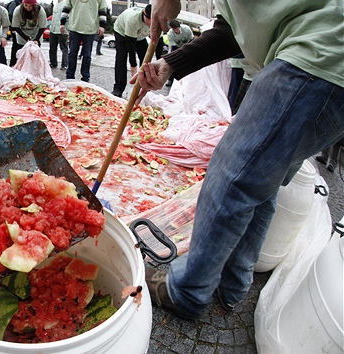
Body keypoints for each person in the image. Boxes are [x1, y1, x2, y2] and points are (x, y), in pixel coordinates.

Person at [135, 0, 343, 320]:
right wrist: (169, 65)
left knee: (231, 176)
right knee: (262, 181)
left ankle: (188, 290)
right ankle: (233, 284)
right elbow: (234, 31)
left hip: (316, 56)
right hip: (326, 65)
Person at [60, 0, 108, 82]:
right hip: (75, 27)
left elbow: (102, 10)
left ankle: (85, 77)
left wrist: (102, 25)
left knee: (87, 55)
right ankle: (70, 76)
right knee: (72, 54)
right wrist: (62, 23)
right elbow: (66, 8)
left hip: (90, 29)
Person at [110, 4, 151, 98]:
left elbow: (157, 43)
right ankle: (118, 89)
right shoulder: (133, 19)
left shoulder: (158, 21)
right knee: (121, 58)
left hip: (140, 36)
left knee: (146, 59)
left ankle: (143, 86)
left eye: (153, 20)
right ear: (144, 15)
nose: (150, 22)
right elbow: (131, 46)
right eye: (148, 19)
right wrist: (133, 67)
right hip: (122, 33)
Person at [9, 0, 48, 67]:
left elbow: (42, 27)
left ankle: (34, 71)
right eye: (26, 5)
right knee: (22, 57)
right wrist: (26, 38)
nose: (28, 8)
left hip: (36, 34)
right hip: (22, 35)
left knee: (34, 57)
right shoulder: (18, 10)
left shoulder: (40, 11)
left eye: (30, 6)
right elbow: (16, 26)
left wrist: (36, 39)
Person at [164, 19, 193, 86]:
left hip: (188, 46)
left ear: (179, 27)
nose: (176, 31)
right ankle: (170, 80)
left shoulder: (186, 29)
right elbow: (174, 47)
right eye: (175, 30)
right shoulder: (170, 34)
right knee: (172, 63)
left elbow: (191, 39)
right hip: (176, 48)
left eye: (177, 29)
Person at [49, 0, 69, 70]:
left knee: (64, 48)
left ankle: (64, 65)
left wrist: (66, 27)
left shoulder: (66, 4)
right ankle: (53, 63)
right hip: (53, 29)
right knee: (52, 47)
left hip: (62, 30)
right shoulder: (56, 4)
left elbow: (68, 17)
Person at [6, 0, 23, 66]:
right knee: (16, 46)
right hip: (15, 28)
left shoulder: (16, 3)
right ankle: (13, 63)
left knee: (17, 46)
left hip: (18, 28)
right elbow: (10, 15)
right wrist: (12, 27)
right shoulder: (14, 4)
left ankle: (16, 63)